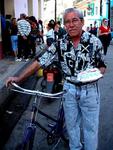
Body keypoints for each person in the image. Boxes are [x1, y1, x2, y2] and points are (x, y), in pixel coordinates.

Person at [6, 8, 106, 150]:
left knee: (90, 130)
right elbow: (40, 61)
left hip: (89, 91)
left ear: (82, 22)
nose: (70, 25)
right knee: (72, 128)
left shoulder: (94, 42)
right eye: (67, 22)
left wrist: (96, 73)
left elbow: (102, 65)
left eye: (74, 20)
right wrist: (18, 77)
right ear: (64, 25)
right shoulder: (60, 44)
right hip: (69, 90)